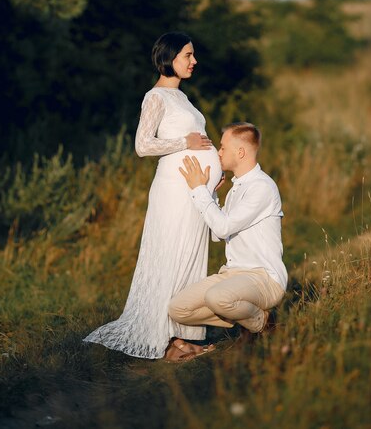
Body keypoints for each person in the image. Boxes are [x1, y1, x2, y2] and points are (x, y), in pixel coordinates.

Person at [83, 32, 222, 361]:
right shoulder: (155, 96)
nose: (194, 61)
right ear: (169, 58)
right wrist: (185, 144)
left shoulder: (183, 98)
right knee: (170, 256)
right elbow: (143, 145)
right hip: (174, 190)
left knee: (189, 257)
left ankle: (182, 335)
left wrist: (211, 177)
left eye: (193, 55)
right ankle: (167, 342)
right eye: (188, 55)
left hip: (194, 188)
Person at [168, 122, 287, 348]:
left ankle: (264, 323)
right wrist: (211, 194)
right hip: (233, 275)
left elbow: (223, 228)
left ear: (240, 152)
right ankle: (248, 320)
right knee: (178, 308)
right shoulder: (235, 189)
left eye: (223, 147)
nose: (218, 152)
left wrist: (198, 190)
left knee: (217, 297)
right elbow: (218, 233)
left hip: (264, 278)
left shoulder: (262, 187)